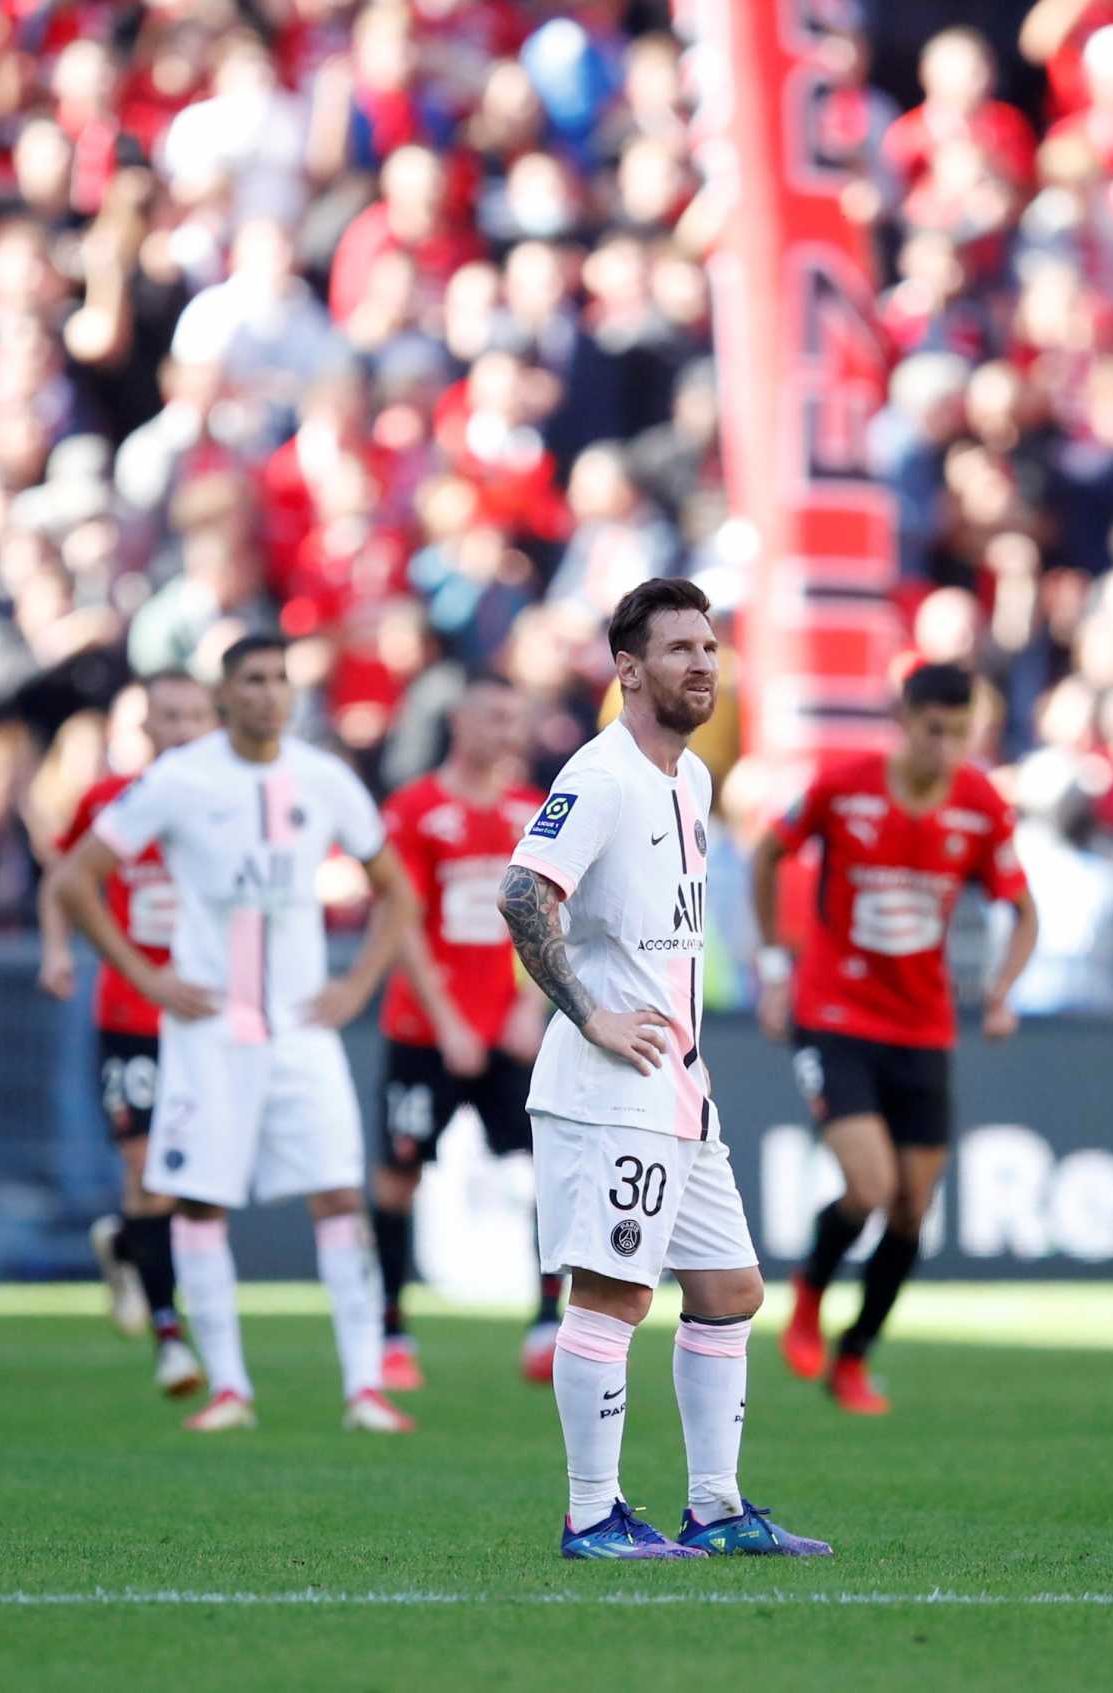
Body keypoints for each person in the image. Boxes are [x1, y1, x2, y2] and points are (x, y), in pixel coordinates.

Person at [496, 576, 833, 1561]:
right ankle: (592, 1515)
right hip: (612, 1088)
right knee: (611, 1294)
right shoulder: (597, 776)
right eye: (680, 648)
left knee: (729, 1289)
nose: (702, 664)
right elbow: (523, 892)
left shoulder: (689, 779)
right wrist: (593, 1013)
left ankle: (715, 1508)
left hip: (681, 1085)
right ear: (628, 669)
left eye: (710, 647)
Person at [46, 633, 425, 1435]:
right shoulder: (181, 780)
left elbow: (398, 889)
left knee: (336, 1195)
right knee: (199, 1201)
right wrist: (145, 979)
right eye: (251, 679)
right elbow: (76, 877)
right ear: (225, 696)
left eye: (280, 678)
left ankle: (364, 1386)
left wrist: (356, 985)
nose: (267, 692)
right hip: (208, 1031)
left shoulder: (324, 780)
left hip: (300, 1027)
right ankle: (229, 1389)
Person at [750, 661, 1041, 1415]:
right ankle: (810, 1290)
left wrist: (1001, 991)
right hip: (836, 1013)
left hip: (923, 1024)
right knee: (871, 1185)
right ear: (904, 721)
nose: (946, 747)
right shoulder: (843, 787)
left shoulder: (980, 804)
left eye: (960, 732)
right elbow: (767, 852)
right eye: (933, 729)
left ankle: (854, 1355)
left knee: (913, 1208)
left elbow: (1023, 909)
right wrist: (776, 965)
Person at [368, 673, 555, 1392]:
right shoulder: (416, 808)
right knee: (398, 1170)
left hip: (507, 1026)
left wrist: (529, 1007)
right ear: (460, 722)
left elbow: (551, 915)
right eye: (494, 715)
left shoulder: (534, 811)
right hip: (426, 1028)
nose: (506, 729)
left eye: (516, 716)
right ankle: (390, 1330)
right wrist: (446, 1019)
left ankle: (547, 1322)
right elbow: (403, 920)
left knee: (549, 1163)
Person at [38, 672, 218, 1400]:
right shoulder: (107, 801)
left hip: (210, 1019)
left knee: (197, 1182)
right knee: (148, 1168)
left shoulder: (233, 804)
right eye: (167, 716)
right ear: (144, 728)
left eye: (193, 716)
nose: (180, 729)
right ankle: (171, 1340)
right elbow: (62, 880)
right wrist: (56, 949)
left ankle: (124, 1245)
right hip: (131, 1013)